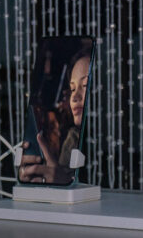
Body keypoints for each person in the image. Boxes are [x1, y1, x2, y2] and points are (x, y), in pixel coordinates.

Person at [19, 46, 90, 184]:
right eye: (72, 89)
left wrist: (64, 182)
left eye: (85, 85)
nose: (75, 97)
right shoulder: (73, 138)